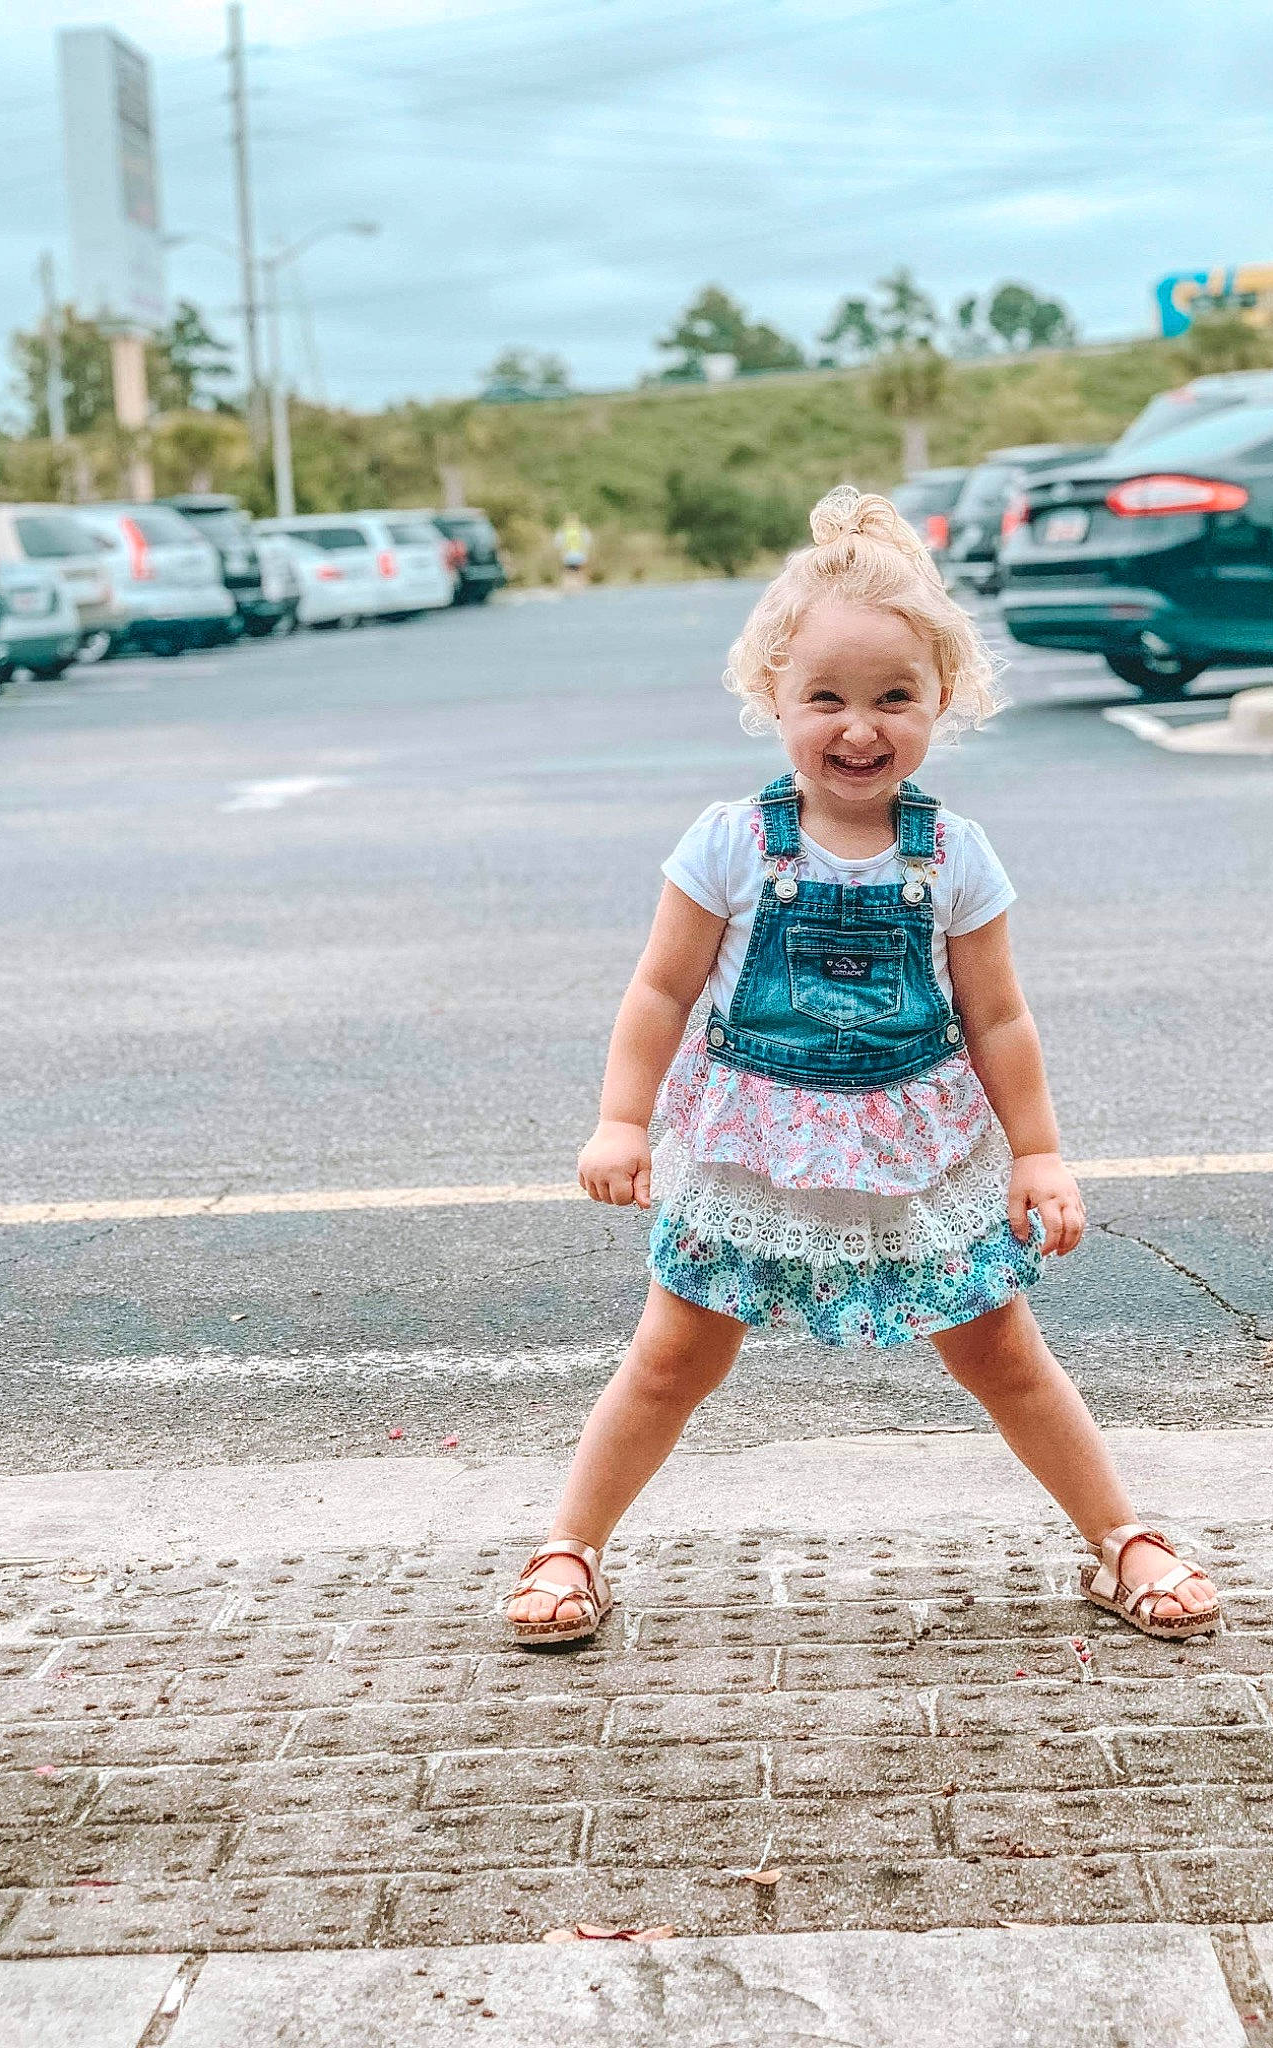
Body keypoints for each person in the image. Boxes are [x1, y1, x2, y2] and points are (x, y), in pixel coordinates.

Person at [506, 484, 1220, 1646]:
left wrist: (1036, 1152)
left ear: (944, 698)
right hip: (753, 1144)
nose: (859, 725)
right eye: (824, 696)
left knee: (1002, 1351)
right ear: (772, 696)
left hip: (917, 1151)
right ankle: (568, 1545)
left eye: (895, 696)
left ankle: (1120, 1537)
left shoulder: (957, 854)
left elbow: (998, 1020)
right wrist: (621, 1120)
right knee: (672, 1356)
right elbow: (660, 990)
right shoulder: (730, 842)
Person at [554, 513, 591, 588]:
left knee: (567, 572)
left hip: (567, 555)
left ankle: (566, 587)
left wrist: (560, 553)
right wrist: (586, 553)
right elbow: (588, 541)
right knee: (580, 572)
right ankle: (582, 587)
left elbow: (557, 543)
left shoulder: (563, 530)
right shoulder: (581, 529)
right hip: (580, 554)